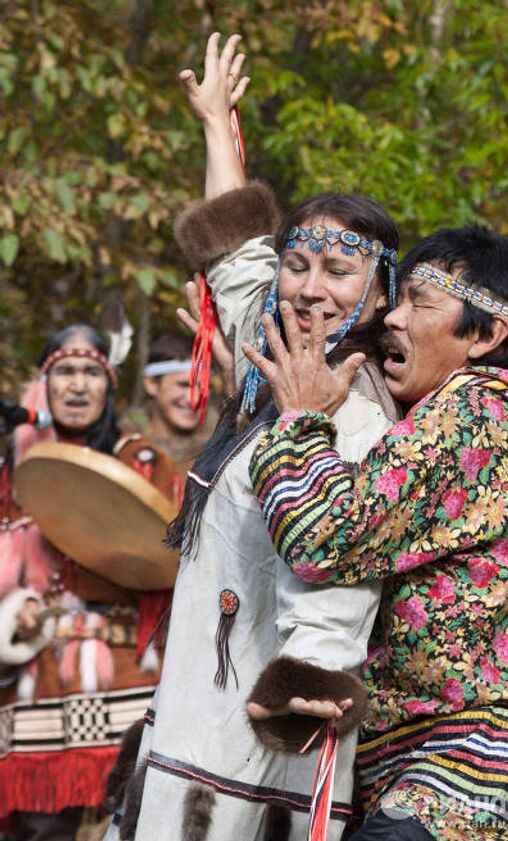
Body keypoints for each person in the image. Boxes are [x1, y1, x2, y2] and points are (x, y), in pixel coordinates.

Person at [107, 33, 402, 841]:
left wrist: (308, 685)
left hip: (254, 755)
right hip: (193, 725)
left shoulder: (358, 414)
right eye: (297, 263)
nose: (308, 288)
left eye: (338, 272)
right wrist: (214, 123)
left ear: (379, 297)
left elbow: (342, 563)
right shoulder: (271, 361)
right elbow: (236, 258)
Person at [247, 226, 508, 841]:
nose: (393, 317)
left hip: (467, 773)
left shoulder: (466, 415)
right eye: (396, 298)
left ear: (487, 335)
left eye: (420, 303)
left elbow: (321, 539)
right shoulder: (490, 420)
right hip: (459, 772)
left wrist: (300, 422)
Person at [0, 324, 180, 841]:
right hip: (36, 678)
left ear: (108, 386)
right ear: (44, 384)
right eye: (64, 373)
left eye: (89, 373)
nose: (77, 386)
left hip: (126, 672)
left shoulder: (141, 462)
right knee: (41, 827)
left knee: (130, 822)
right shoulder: (12, 472)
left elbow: (171, 561)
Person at [121, 332, 231, 481]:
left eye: (205, 387)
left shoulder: (221, 449)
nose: (196, 398)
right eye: (184, 385)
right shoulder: (122, 446)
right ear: (151, 384)